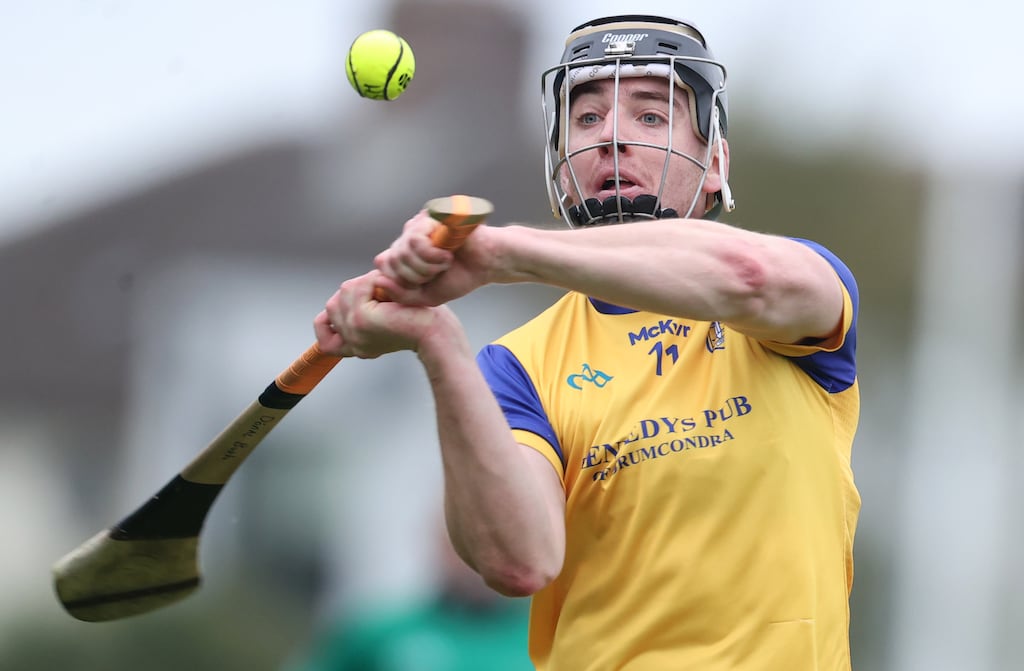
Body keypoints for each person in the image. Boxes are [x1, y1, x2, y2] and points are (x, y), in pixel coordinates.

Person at [315, 14, 860, 671]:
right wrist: (436, 343)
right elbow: (519, 559)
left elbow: (744, 277)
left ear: (714, 163)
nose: (611, 138)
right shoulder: (516, 365)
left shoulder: (797, 292)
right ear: (560, 168)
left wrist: (499, 253)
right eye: (587, 117)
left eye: (651, 117)